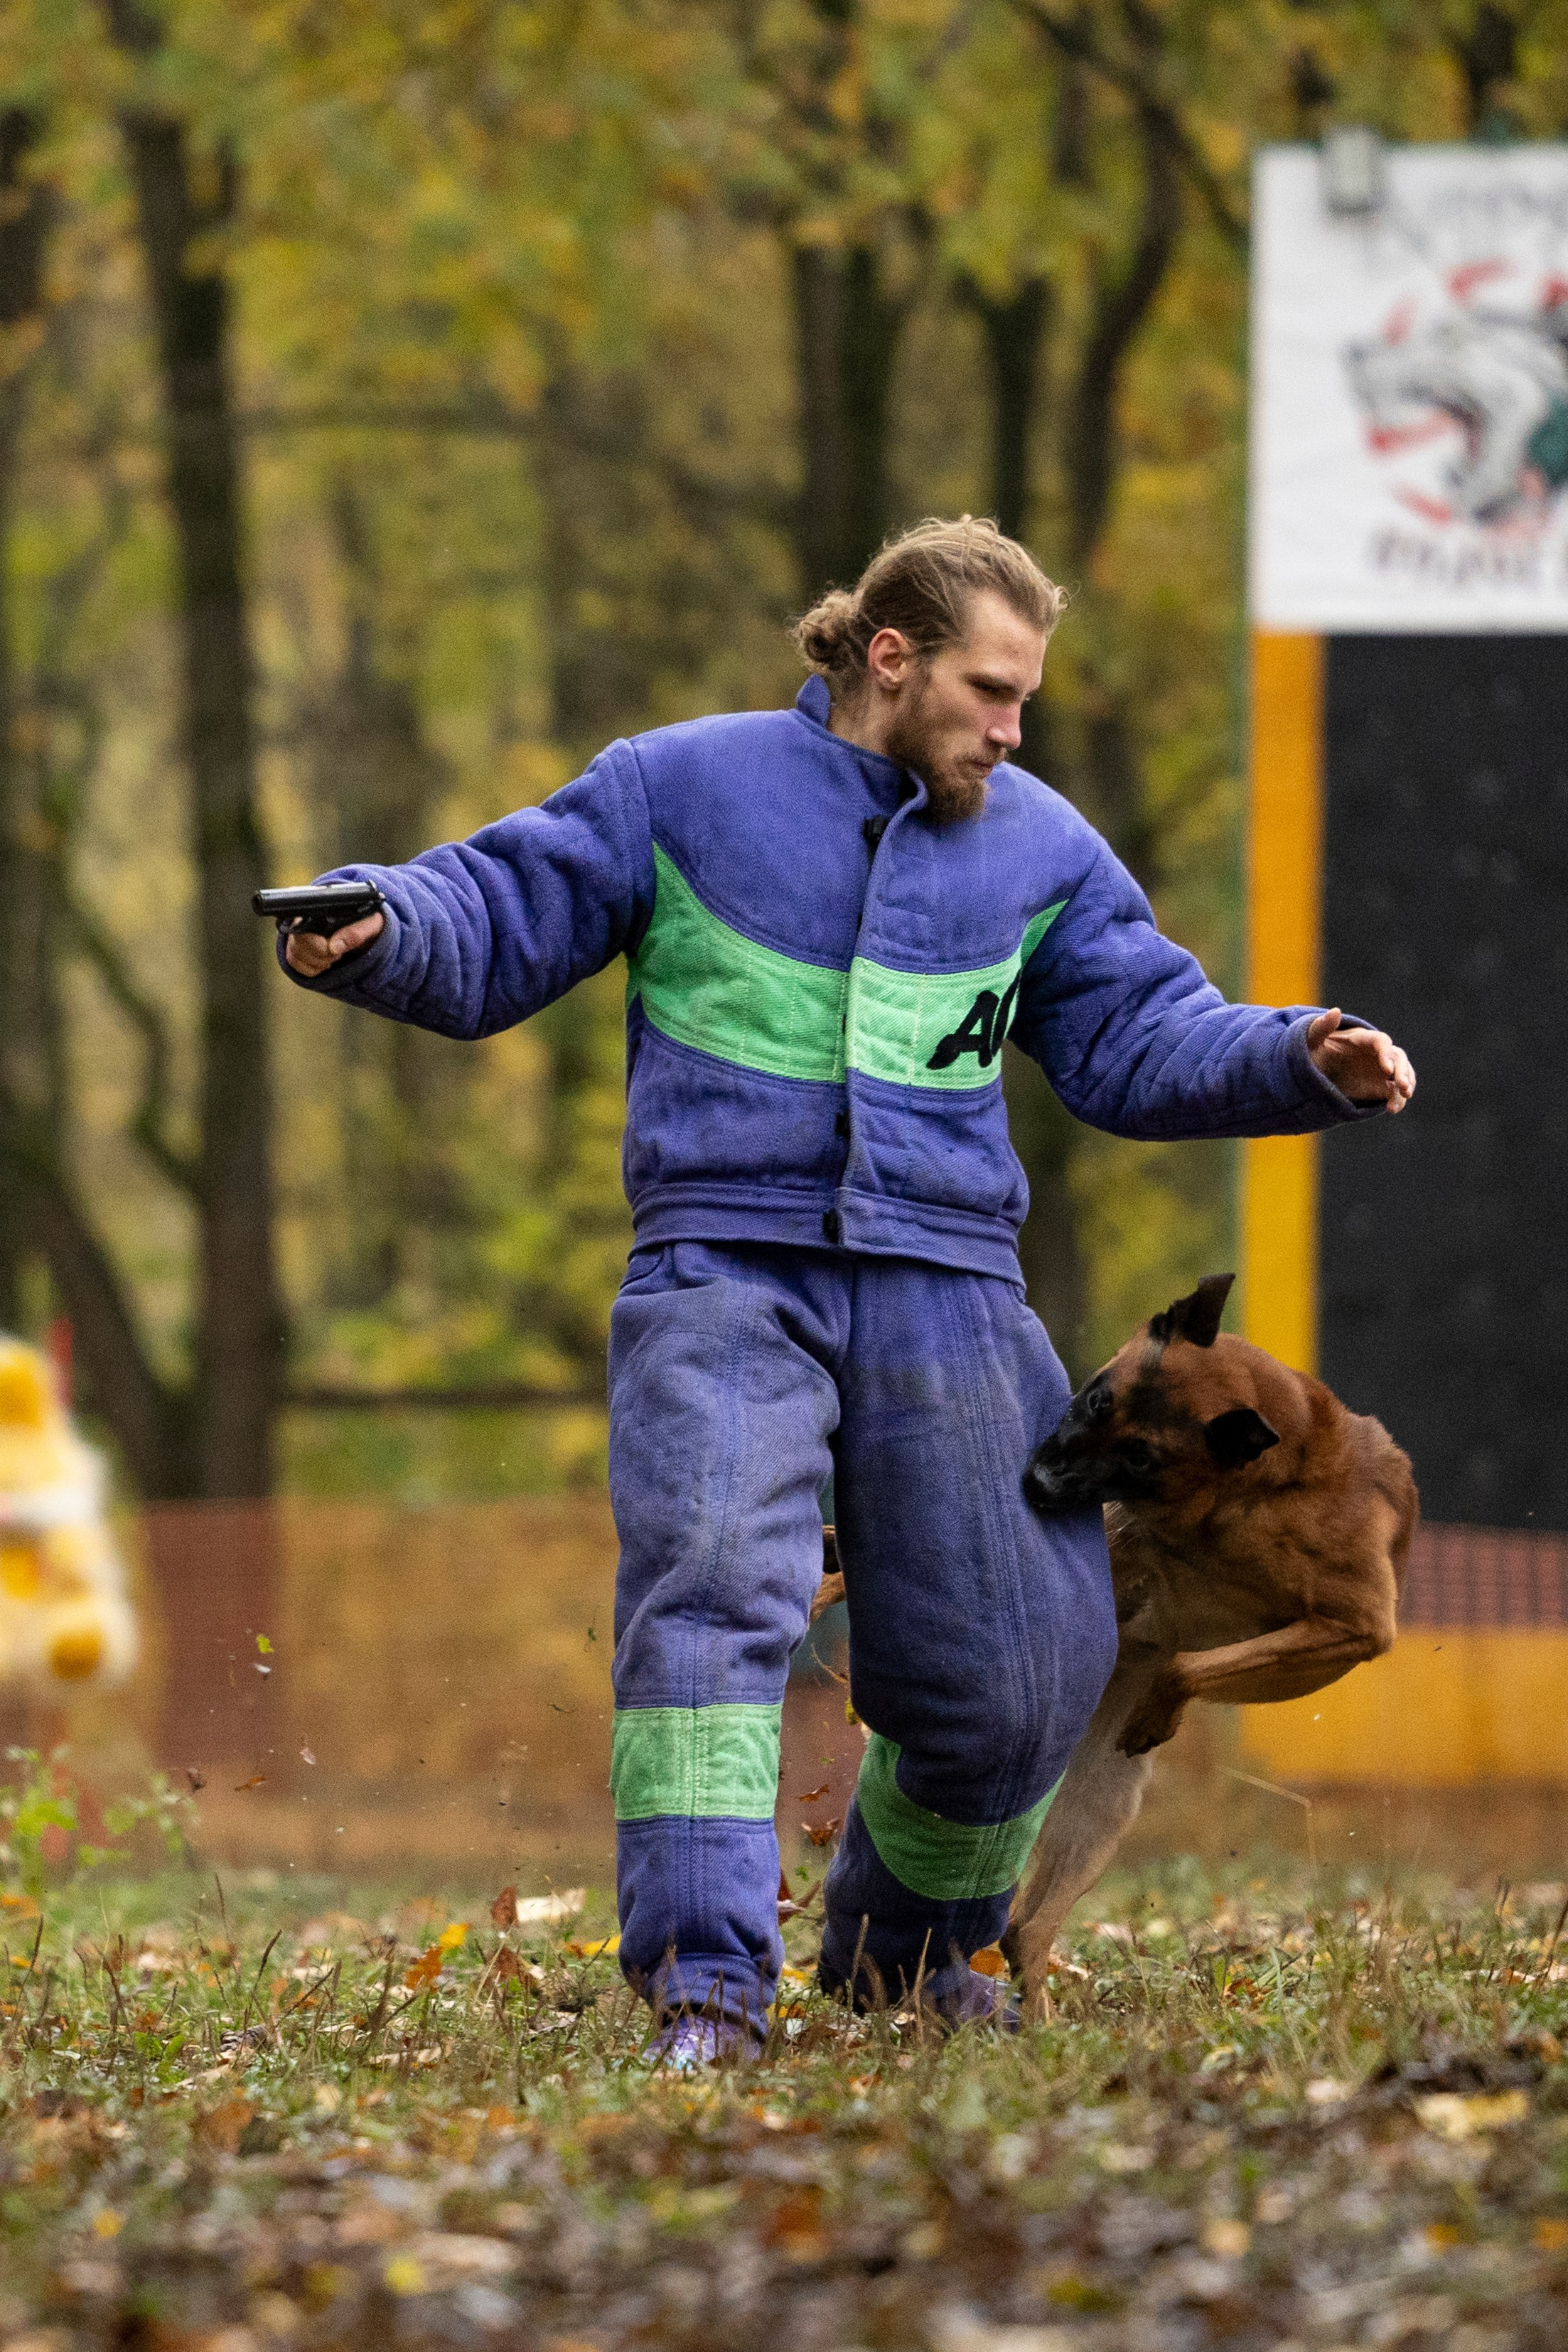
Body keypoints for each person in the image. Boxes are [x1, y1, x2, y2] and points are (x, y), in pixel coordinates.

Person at [281, 516, 1414, 2061]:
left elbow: (1141, 1036)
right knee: (710, 1594)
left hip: (947, 1281)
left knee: (1024, 1662)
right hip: (721, 1267)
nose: (1014, 730)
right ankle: (705, 1985)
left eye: (1025, 701)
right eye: (991, 691)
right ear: (890, 656)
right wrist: (381, 927)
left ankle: (904, 1951)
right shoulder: (679, 784)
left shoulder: (1039, 849)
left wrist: (1297, 1053)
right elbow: (496, 906)